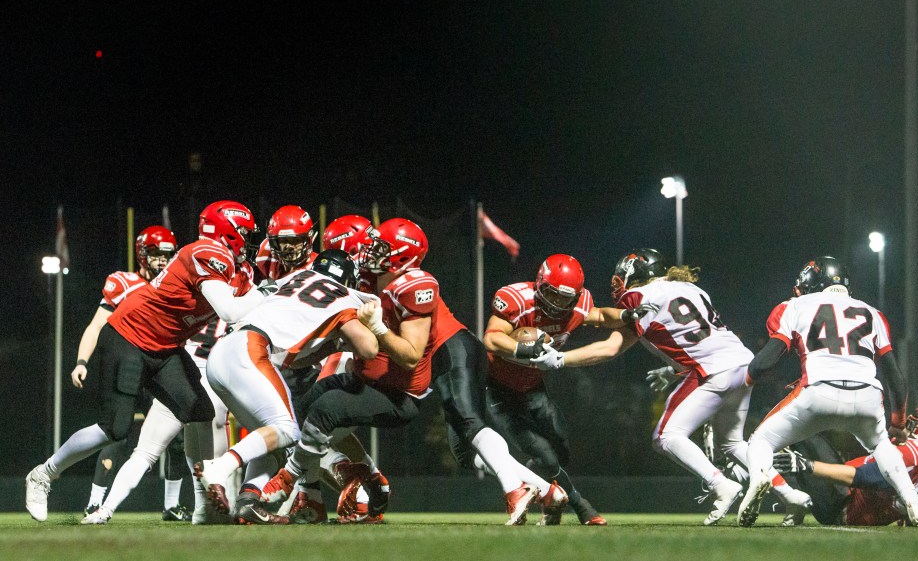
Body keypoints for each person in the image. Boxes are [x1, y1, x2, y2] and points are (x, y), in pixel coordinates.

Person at [263, 218, 560, 526]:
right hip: (408, 365)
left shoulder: (412, 283)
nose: (362, 253)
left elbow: (408, 352)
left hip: (449, 349)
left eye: (370, 247)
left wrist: (374, 329)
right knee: (463, 446)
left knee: (469, 424)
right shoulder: (367, 278)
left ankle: (515, 490)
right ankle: (543, 490)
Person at [26, 200, 273, 522]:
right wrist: (270, 291)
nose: (249, 240)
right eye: (244, 232)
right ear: (227, 231)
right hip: (129, 337)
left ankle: (205, 502)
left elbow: (250, 310)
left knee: (198, 410)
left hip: (166, 347)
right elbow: (230, 311)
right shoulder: (205, 253)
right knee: (115, 428)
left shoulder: (238, 270)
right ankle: (44, 474)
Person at [530, 249, 811, 526]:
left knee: (666, 436)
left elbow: (611, 347)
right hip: (742, 363)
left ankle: (721, 485)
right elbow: (697, 338)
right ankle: (791, 494)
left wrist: (559, 359)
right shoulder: (690, 288)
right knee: (733, 443)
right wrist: (674, 369)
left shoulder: (638, 297)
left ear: (635, 275)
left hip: (715, 370)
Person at [736, 256, 918, 527]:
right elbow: (894, 376)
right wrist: (899, 422)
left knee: (760, 443)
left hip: (818, 391)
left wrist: (744, 383)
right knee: (882, 444)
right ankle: (915, 505)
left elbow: (764, 362)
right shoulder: (872, 312)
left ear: (810, 284)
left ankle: (761, 476)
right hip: (868, 396)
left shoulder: (793, 306)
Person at [195, 249, 381, 525]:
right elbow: (368, 348)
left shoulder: (294, 278)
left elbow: (292, 356)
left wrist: (327, 344)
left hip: (223, 352)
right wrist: (370, 327)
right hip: (251, 349)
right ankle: (219, 469)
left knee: (271, 439)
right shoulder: (345, 296)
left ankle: (249, 502)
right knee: (287, 428)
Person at [482, 253, 619, 526]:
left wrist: (628, 314)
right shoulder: (517, 299)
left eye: (565, 298)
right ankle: (582, 506)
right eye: (553, 295)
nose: (558, 303)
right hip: (499, 390)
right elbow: (491, 337)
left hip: (533, 387)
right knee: (543, 450)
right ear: (539, 284)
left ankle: (546, 493)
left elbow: (603, 316)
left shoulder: (579, 306)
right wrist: (523, 348)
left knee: (561, 442)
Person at [73, 225, 190, 521]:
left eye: (167, 255)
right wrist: (81, 361)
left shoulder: (174, 286)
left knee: (176, 437)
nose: (162, 260)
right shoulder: (123, 283)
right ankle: (94, 502)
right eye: (155, 254)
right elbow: (96, 325)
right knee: (118, 432)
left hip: (160, 368)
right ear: (141, 254)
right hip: (127, 365)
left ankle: (171, 505)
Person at [773, 400, 918, 526]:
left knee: (793, 424)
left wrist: (807, 465)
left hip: (841, 504)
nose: (917, 421)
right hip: (857, 506)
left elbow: (860, 477)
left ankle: (789, 495)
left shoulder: (913, 455)